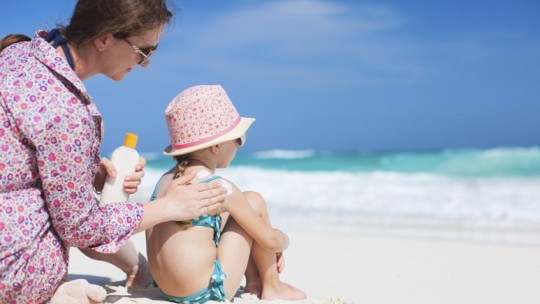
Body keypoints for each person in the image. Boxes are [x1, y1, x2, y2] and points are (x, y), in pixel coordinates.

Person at [0, 1, 227, 303]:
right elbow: (80, 228)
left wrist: (87, 174)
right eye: (144, 50)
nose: (147, 63)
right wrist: (171, 207)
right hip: (12, 273)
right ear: (104, 39)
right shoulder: (65, 111)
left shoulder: (19, 54)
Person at [146, 84, 306, 303]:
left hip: (167, 289)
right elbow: (269, 241)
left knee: (238, 212)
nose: (239, 146)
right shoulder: (220, 187)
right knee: (253, 201)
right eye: (238, 139)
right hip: (204, 292)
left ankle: (255, 282)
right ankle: (272, 286)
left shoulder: (165, 181)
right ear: (216, 146)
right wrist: (281, 241)